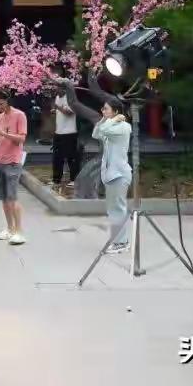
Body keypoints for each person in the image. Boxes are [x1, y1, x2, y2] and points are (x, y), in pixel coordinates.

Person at [60, 75, 133, 254]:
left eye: (106, 109)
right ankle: (118, 240)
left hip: (119, 174)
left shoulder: (123, 127)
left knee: (118, 209)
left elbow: (105, 129)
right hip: (110, 174)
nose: (103, 111)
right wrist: (104, 119)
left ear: (116, 111)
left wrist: (112, 120)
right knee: (113, 209)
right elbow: (97, 133)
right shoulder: (111, 125)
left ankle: (121, 242)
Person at [0, 90, 28, 245]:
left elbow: (21, 139)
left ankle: (19, 231)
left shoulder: (20, 115)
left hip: (13, 162)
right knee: (4, 198)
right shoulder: (0, 117)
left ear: (7, 101)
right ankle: (9, 229)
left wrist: (3, 133)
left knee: (12, 198)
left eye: (1, 103)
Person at [50, 81, 79, 190]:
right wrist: (55, 110)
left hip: (70, 132)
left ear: (64, 89)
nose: (55, 90)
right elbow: (60, 110)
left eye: (57, 88)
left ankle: (74, 179)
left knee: (71, 157)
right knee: (57, 157)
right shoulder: (58, 97)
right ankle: (56, 179)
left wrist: (58, 107)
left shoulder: (71, 98)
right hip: (59, 132)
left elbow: (70, 112)